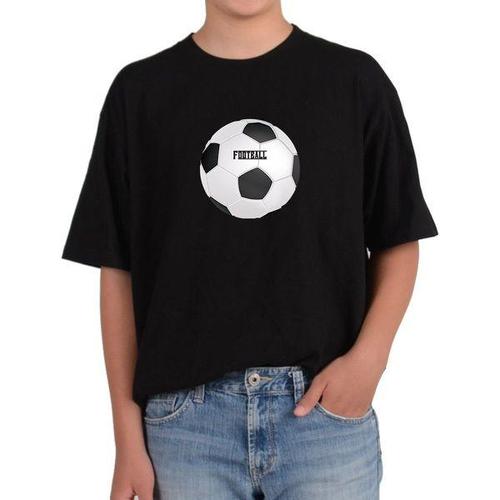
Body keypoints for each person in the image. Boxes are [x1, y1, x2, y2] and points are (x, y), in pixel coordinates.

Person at [62, 0, 437, 498]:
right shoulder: (141, 92)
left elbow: (398, 239)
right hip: (184, 428)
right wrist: (125, 437)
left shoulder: (353, 81)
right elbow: (118, 270)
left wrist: (369, 362)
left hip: (323, 417)